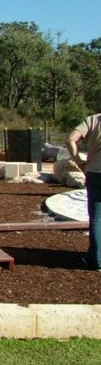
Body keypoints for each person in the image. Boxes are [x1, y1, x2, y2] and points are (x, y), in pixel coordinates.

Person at [67, 114, 101, 271]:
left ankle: (96, 259)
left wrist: (78, 161)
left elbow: (71, 139)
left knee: (97, 218)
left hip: (95, 173)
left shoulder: (92, 120)